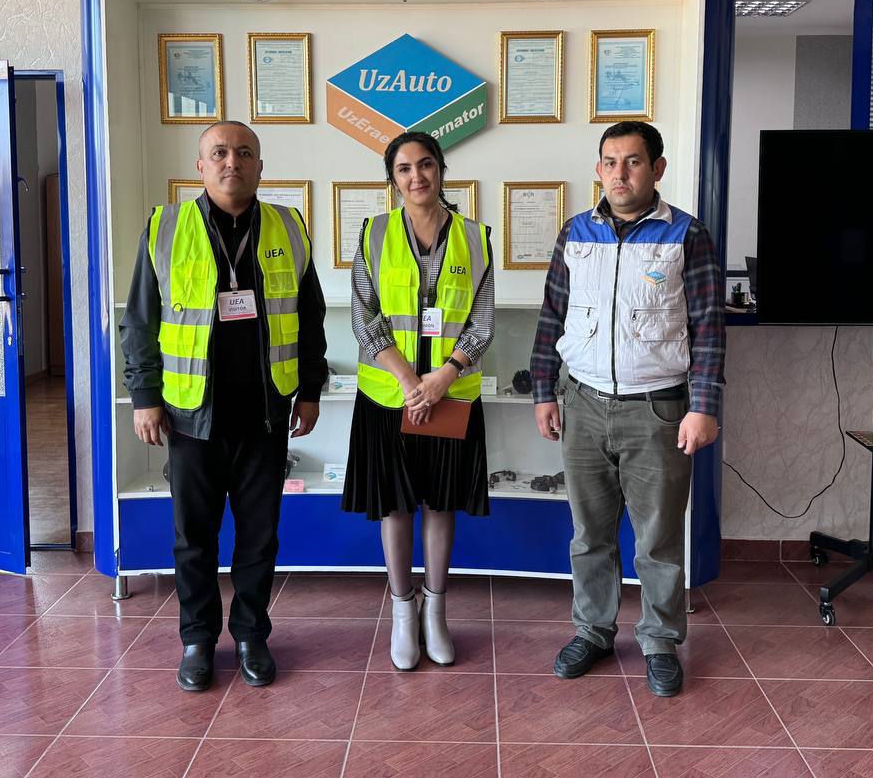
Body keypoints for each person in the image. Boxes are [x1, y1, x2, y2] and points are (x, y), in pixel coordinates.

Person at [119, 120, 327, 692]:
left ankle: (253, 634)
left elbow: (310, 316)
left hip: (265, 412)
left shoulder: (289, 226)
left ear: (260, 166)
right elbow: (139, 322)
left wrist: (310, 389)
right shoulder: (166, 227)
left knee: (259, 537)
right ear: (200, 166)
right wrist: (145, 397)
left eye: (243, 153)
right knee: (194, 538)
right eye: (219, 153)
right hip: (191, 415)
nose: (231, 161)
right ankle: (198, 640)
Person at [530, 120, 725, 697]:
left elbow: (709, 327)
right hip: (583, 404)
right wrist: (543, 391)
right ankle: (592, 631)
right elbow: (552, 316)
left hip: (659, 411)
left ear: (657, 168)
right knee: (589, 534)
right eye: (610, 162)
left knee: (658, 538)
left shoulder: (687, 235)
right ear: (599, 170)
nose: (620, 173)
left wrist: (703, 405)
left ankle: (660, 640)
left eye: (633, 161)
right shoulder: (576, 232)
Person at [343, 131, 494, 671]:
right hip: (389, 395)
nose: (416, 176)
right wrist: (411, 381)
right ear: (392, 179)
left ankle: (436, 611)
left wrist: (442, 379)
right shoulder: (373, 233)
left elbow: (482, 322)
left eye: (425, 164)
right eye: (404, 168)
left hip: (450, 396)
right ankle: (403, 612)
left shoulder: (475, 237)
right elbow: (363, 315)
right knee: (395, 505)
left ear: (441, 170)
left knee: (440, 503)